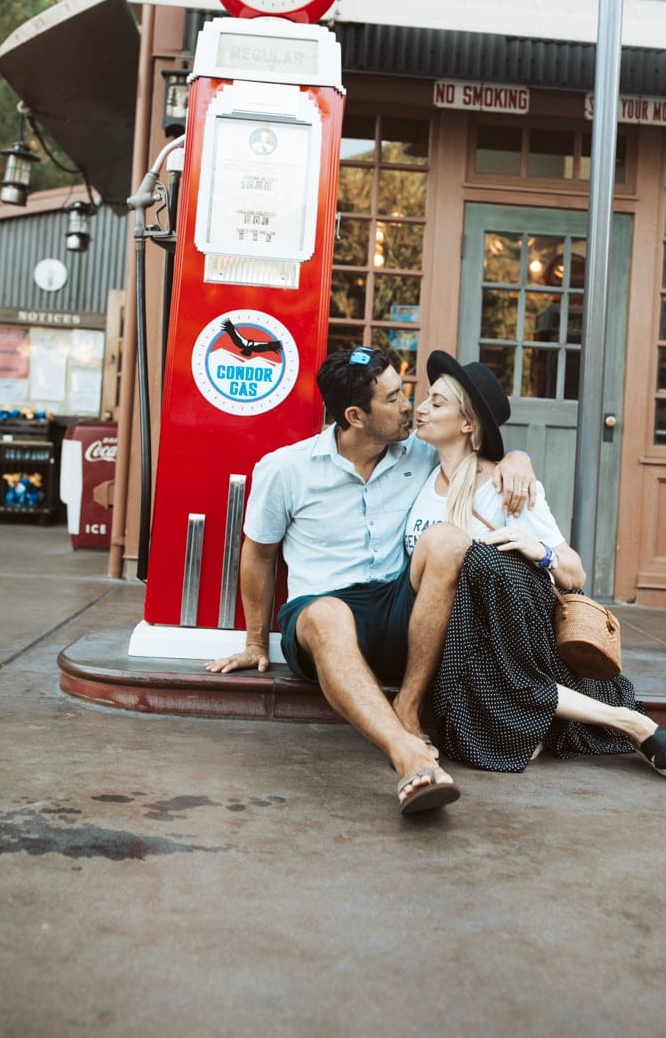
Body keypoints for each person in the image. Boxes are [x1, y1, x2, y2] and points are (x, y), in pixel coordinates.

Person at [205, 346, 537, 815]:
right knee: (328, 613)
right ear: (356, 415)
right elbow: (258, 555)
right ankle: (408, 756)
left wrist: (516, 456)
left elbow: (476, 442)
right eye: (395, 398)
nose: (411, 406)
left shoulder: (419, 453)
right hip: (322, 616)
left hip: (400, 608)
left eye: (407, 392)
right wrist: (257, 643)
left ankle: (409, 705)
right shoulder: (286, 469)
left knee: (446, 540)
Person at [405, 350, 666, 780]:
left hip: (496, 632)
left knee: (491, 565)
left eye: (437, 403)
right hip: (437, 631)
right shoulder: (414, 468)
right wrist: (519, 452)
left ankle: (632, 722)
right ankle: (600, 722)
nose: (421, 408)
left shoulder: (505, 486)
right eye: (425, 398)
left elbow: (575, 574)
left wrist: (539, 548)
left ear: (468, 424)